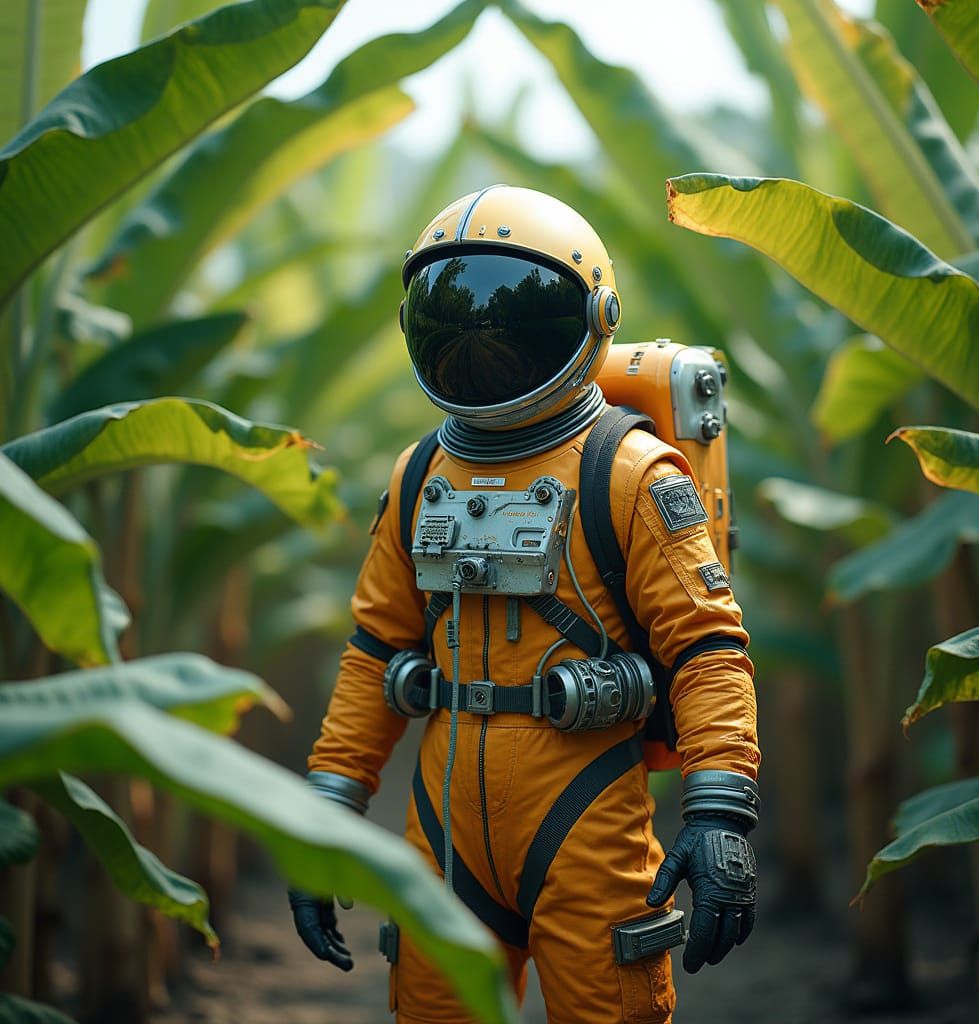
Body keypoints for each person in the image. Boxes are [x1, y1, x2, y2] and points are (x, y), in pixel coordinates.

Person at [289, 185, 760, 1024]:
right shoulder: (419, 474)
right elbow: (375, 648)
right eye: (453, 312)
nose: (484, 337)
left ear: (593, 315)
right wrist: (327, 808)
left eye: (515, 313)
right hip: (442, 826)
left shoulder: (627, 473)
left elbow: (706, 648)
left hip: (583, 810)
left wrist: (721, 808)